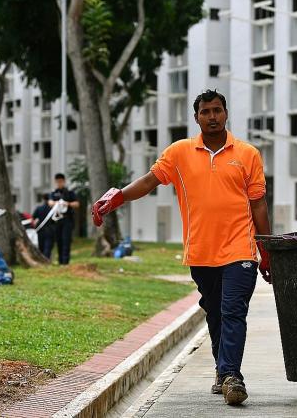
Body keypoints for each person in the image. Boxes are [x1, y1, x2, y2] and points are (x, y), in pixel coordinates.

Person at [91, 89, 271, 406]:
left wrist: (266, 251)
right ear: (196, 117)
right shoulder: (179, 152)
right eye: (205, 112)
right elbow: (149, 181)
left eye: (217, 110)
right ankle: (223, 370)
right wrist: (117, 197)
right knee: (215, 313)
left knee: (233, 311)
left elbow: (258, 205)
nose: (212, 116)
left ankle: (232, 376)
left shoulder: (247, 154)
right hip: (201, 251)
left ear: (226, 113)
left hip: (240, 250)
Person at [49, 173, 80, 264]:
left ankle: (66, 260)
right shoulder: (54, 192)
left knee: (66, 240)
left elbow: (77, 204)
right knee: (58, 240)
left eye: (61, 181)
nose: (59, 183)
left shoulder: (69, 192)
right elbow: (50, 202)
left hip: (67, 219)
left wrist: (67, 204)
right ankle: (60, 260)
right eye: (57, 182)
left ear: (64, 181)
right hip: (57, 219)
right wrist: (57, 203)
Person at [32, 193, 55, 259]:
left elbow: (33, 217)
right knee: (48, 246)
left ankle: (42, 258)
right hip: (50, 229)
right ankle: (47, 259)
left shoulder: (39, 208)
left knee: (41, 246)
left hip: (40, 229)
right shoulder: (52, 209)